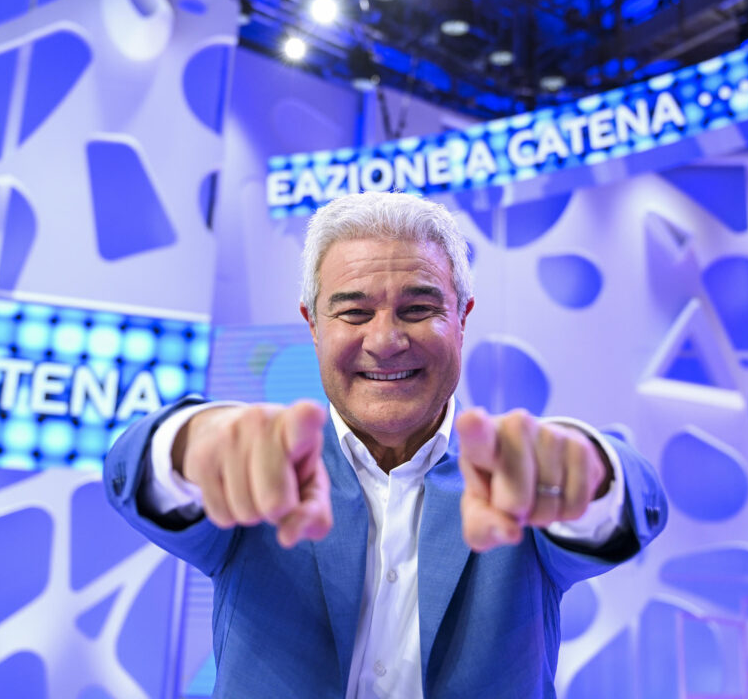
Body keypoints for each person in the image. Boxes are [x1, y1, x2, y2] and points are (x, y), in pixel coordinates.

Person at [105, 191, 667, 698]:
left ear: (463, 317)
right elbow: (131, 473)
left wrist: (591, 471)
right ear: (312, 324)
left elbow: (633, 501)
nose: (386, 340)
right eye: (354, 312)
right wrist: (188, 444)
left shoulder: (515, 479)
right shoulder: (262, 469)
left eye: (418, 310)